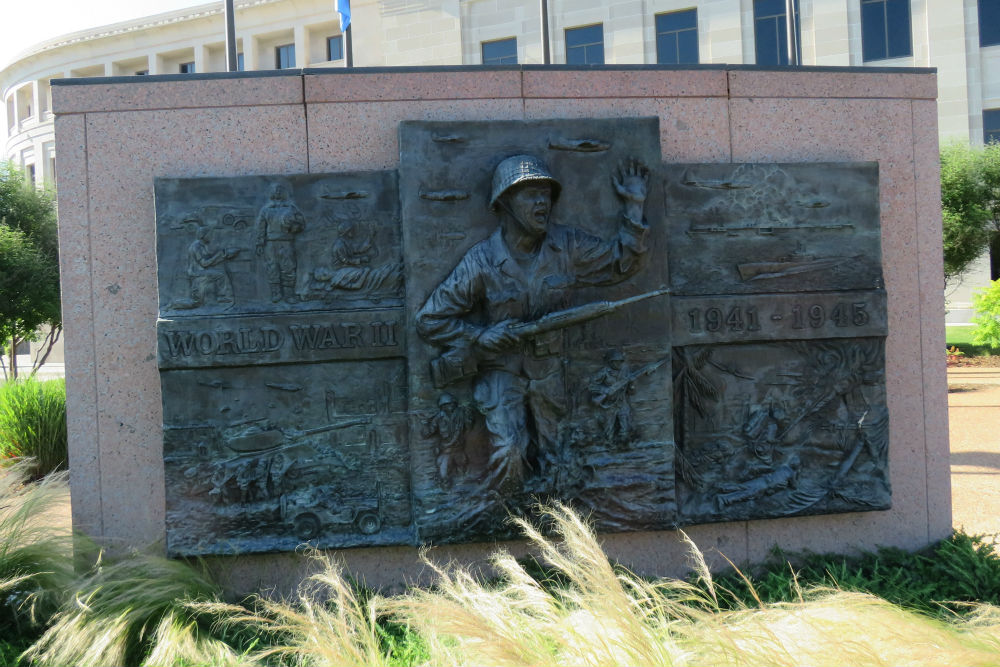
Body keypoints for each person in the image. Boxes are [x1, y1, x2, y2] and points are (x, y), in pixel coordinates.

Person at [416, 154, 650, 493]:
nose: (543, 202)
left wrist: (634, 206)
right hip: (501, 370)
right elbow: (429, 320)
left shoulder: (567, 246)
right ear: (505, 203)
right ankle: (503, 523)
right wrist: (479, 336)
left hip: (549, 370)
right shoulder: (481, 261)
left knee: (558, 460)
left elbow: (621, 265)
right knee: (509, 451)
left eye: (546, 194)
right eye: (531, 194)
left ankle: (556, 529)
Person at [256, 183, 305, 304]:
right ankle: (276, 294)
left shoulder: (291, 208)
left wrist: (295, 227)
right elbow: (261, 227)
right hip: (270, 243)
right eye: (275, 190)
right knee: (272, 268)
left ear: (284, 193)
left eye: (280, 190)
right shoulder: (266, 209)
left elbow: (301, 223)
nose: (277, 192)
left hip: (286, 242)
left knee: (288, 268)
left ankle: (289, 295)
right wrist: (259, 243)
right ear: (271, 193)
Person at [184, 224, 238, 308]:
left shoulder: (201, 245)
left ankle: (223, 297)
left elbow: (208, 258)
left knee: (222, 269)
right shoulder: (196, 247)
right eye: (209, 234)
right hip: (197, 272)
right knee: (221, 275)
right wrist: (218, 256)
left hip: (201, 269)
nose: (211, 236)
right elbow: (204, 263)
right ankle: (223, 297)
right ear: (203, 235)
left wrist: (223, 255)